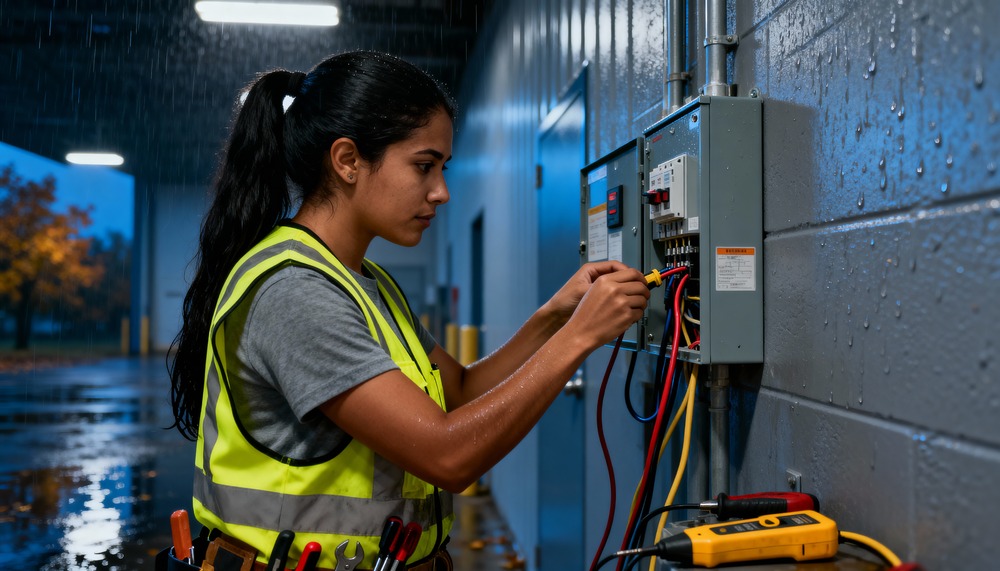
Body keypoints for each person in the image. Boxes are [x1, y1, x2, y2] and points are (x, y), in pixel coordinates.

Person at [168, 50, 649, 571]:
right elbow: (447, 456)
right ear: (348, 160)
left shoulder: (366, 283)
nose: (440, 192)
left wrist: (555, 317)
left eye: (442, 168)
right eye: (423, 166)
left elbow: (460, 390)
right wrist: (577, 339)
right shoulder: (294, 291)